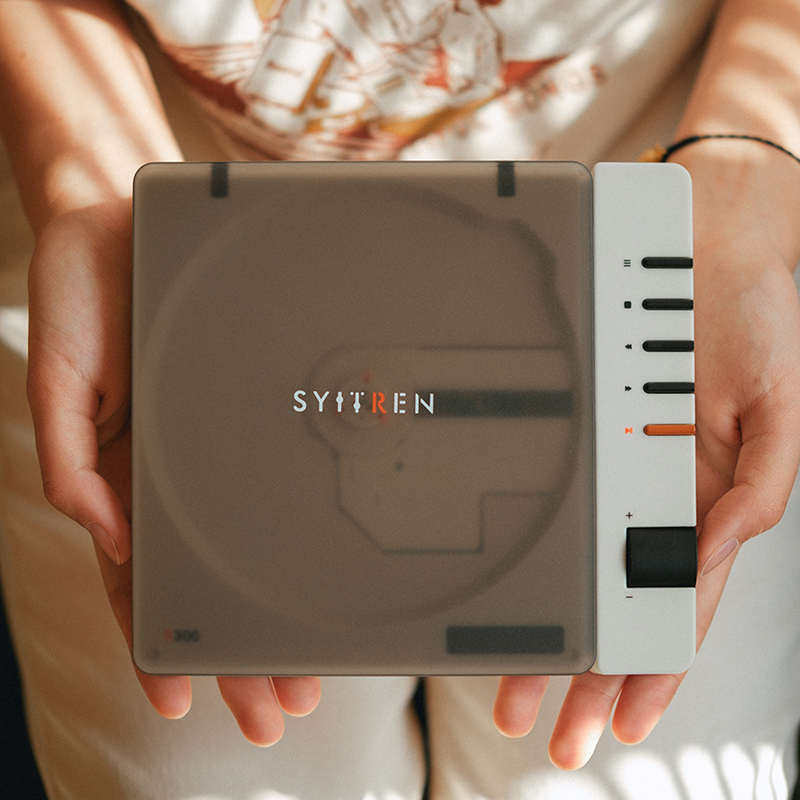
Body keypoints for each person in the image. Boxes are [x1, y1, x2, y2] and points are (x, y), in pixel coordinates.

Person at [1, 0, 799, 797]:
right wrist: (91, 187)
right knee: (189, 777)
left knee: (624, 774)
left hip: (644, 200)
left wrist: (745, 191)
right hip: (167, 189)